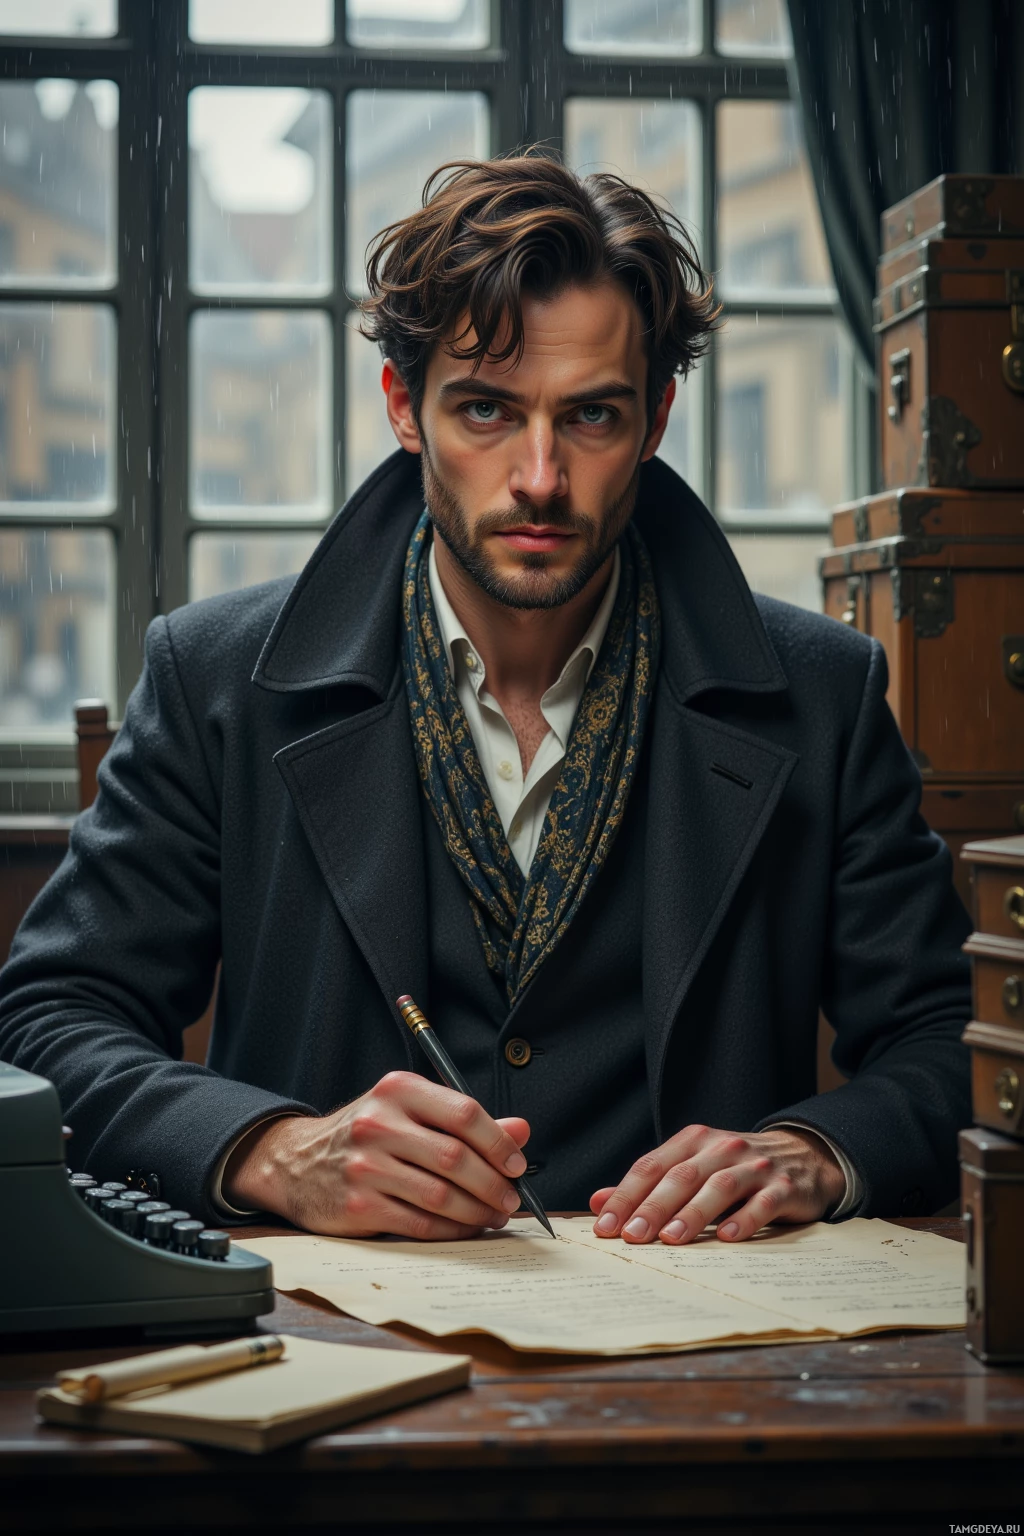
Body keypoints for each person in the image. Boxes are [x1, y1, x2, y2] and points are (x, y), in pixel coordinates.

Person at [0, 152, 970, 1249]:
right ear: (403, 409)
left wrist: (820, 1152)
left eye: (592, 417)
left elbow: (952, 1044)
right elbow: (46, 1020)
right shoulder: (212, 676)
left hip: (707, 1362)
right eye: (486, 411)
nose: (540, 476)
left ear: (654, 421)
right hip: (329, 1362)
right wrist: (275, 1152)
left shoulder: (822, 696)